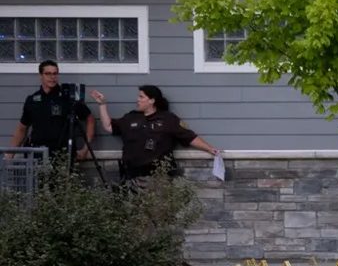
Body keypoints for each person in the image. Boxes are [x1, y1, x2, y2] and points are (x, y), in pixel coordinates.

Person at [89, 85, 220, 184]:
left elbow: (189, 137)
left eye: (141, 97)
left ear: (152, 100)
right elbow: (108, 126)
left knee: (155, 216)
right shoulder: (131, 117)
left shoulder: (167, 119)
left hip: (157, 178)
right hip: (131, 177)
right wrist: (102, 104)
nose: (137, 100)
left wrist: (209, 148)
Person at [6, 60, 94, 163]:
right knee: (38, 179)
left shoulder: (68, 98)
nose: (52, 77)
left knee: (63, 179)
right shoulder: (32, 99)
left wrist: (85, 149)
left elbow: (90, 119)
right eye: (48, 74)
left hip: (63, 154)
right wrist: (10, 154)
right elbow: (22, 128)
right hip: (37, 154)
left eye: (55, 73)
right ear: (41, 75)